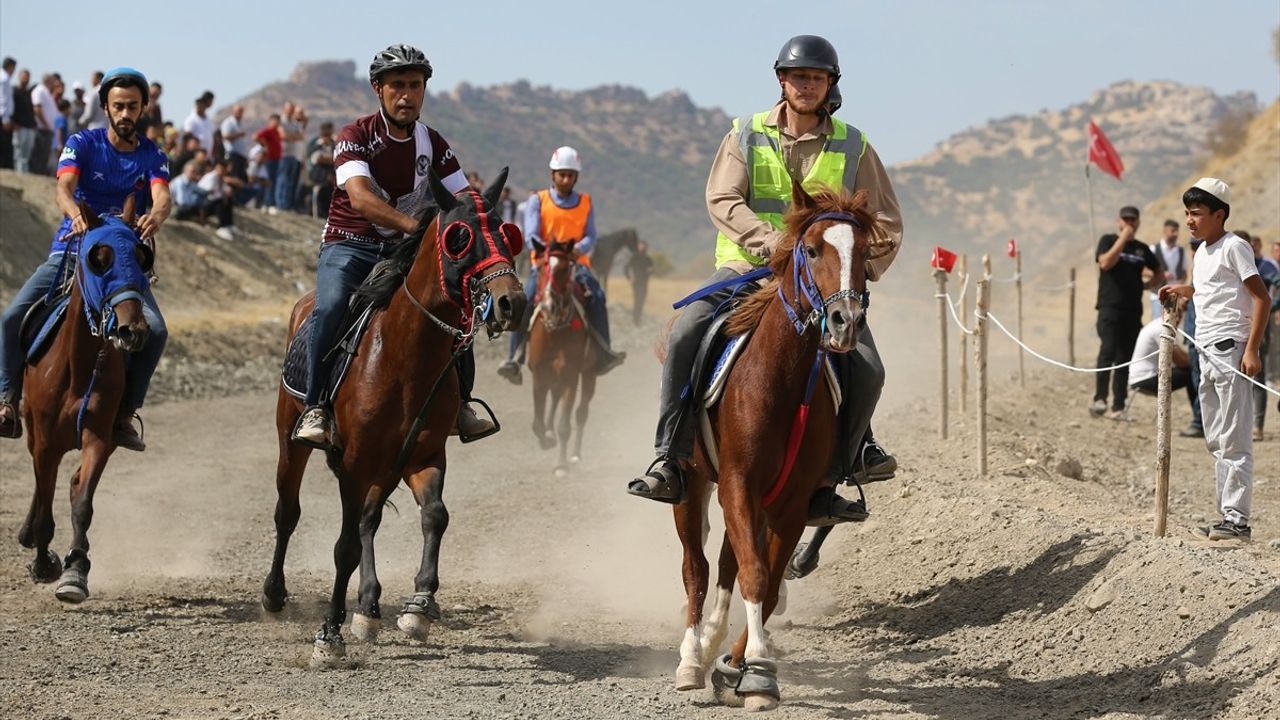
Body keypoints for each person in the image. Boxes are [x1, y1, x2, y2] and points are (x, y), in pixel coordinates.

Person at [625, 35, 903, 523]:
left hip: (821, 281)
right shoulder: (745, 134)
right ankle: (669, 455)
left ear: (830, 85)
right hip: (746, 267)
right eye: (800, 77)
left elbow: (886, 221)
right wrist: (772, 244)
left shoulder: (855, 145)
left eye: (817, 78)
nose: (807, 85)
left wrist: (856, 271)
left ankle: (838, 472)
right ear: (782, 80)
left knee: (869, 367)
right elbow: (722, 199)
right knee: (690, 328)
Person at [291, 43, 494, 448]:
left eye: (415, 85)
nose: (406, 94)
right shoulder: (354, 136)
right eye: (397, 85)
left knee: (453, 307)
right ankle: (315, 407)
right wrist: (416, 228)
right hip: (348, 244)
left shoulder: (433, 143)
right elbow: (362, 199)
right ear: (377, 90)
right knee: (330, 306)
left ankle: (461, 404)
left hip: (403, 251)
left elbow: (464, 199)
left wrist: (488, 226)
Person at [0, 67, 172, 447]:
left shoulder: (152, 155)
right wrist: (75, 214)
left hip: (123, 263)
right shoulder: (82, 142)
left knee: (156, 332)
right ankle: (8, 399)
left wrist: (155, 216)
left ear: (143, 107)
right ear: (106, 108)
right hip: (73, 250)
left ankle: (125, 414)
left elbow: (162, 196)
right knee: (12, 316)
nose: (126, 114)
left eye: (132, 106)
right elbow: (63, 188)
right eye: (118, 106)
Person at [1159, 178, 1270, 542]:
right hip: (1203, 351)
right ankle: (1226, 513)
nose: (1190, 220)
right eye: (1187, 213)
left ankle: (1238, 520)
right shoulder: (1202, 252)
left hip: (1230, 348)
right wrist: (1182, 289)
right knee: (1217, 438)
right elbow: (1208, 290)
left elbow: (1261, 299)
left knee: (1235, 438)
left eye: (1197, 213)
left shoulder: (1235, 246)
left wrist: (1251, 349)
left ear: (1218, 214)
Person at [496, 146, 626, 383]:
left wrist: (577, 250)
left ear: (576, 177)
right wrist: (552, 252)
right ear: (552, 175)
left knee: (597, 296)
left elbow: (591, 236)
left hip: (577, 264)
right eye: (561, 174)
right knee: (525, 298)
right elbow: (532, 235)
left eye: (571, 175)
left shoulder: (585, 202)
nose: (566, 179)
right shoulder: (538, 200)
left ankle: (604, 352)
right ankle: (514, 358)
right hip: (545, 263)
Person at [1092, 205, 1163, 420]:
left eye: (1133, 220)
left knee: (1124, 358)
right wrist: (1122, 239)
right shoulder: (1108, 240)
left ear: (1139, 222)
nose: (1130, 223)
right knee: (1107, 352)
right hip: (1109, 307)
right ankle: (1100, 398)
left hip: (1132, 311)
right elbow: (1105, 263)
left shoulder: (1142, 249)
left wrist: (1147, 284)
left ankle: (1118, 405)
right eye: (1126, 219)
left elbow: (1159, 271)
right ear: (1119, 221)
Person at [1244, 231, 1278, 441]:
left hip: (1259, 326)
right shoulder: (1234, 263)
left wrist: (1270, 307)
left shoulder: (1264, 268)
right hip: (1235, 325)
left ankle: (1258, 426)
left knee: (1258, 376)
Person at [1126, 318, 1192, 401]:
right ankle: (1198, 412)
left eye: (1182, 312)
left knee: (1191, 370)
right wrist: (1196, 362)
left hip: (1138, 377)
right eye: (1177, 311)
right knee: (1193, 372)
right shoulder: (1163, 329)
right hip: (1146, 378)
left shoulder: (1158, 325)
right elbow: (1179, 361)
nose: (1179, 316)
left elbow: (1181, 355)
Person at [1148, 218, 1186, 320]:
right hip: (1158, 296)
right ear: (1165, 231)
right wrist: (1161, 275)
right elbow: (1144, 270)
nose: (1176, 234)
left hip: (1174, 297)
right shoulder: (1153, 249)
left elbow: (1184, 272)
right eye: (1173, 231)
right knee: (1158, 326)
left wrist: (1181, 284)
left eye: (1177, 231)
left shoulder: (1180, 250)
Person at [625, 239, 653, 324]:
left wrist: (650, 271)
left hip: (644, 282)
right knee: (637, 300)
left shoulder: (648, 258)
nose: (642, 247)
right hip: (636, 282)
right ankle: (635, 320)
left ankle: (638, 318)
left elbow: (652, 270)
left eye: (643, 245)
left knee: (642, 300)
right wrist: (629, 277)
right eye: (640, 245)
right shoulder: (635, 257)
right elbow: (626, 268)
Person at [183, 90, 216, 155]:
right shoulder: (191, 119)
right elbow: (187, 136)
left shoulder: (208, 118)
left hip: (207, 154)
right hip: (195, 154)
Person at [0, 57, 14, 169]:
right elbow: (3, 99)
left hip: (3, 115)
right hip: (3, 116)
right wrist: (6, 118)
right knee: (4, 143)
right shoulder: (4, 79)